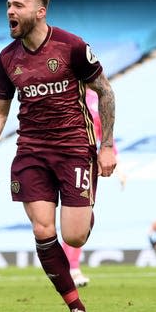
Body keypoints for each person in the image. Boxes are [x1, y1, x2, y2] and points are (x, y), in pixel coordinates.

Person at [0, 0, 117, 312]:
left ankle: (82, 211)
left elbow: (106, 92)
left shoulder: (71, 47)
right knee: (42, 229)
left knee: (74, 237)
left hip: (73, 150)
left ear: (40, 12)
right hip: (31, 152)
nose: (10, 10)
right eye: (8, 5)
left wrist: (108, 145)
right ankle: (76, 308)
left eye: (18, 5)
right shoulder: (7, 59)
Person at [62, 88, 126, 289]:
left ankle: (72, 268)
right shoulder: (66, 91)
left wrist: (119, 168)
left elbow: (105, 134)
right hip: (59, 158)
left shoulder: (97, 97)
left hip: (83, 162)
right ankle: (66, 267)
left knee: (80, 217)